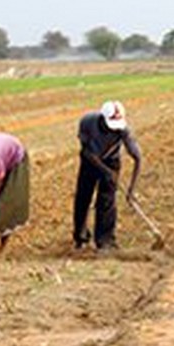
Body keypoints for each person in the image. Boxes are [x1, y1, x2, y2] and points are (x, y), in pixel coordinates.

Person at [73, 100, 142, 250]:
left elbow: (137, 158)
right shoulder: (87, 122)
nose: (114, 130)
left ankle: (105, 241)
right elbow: (87, 152)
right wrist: (106, 172)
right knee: (83, 198)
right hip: (90, 161)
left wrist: (131, 190)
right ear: (102, 119)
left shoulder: (123, 130)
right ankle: (81, 237)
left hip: (112, 161)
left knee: (107, 200)